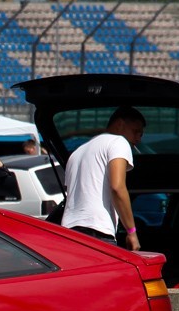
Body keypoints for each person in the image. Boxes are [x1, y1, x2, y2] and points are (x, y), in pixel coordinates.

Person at [61, 106, 145, 251]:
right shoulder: (118, 142)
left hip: (68, 233)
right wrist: (132, 232)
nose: (138, 138)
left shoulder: (77, 153)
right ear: (120, 124)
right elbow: (117, 187)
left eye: (141, 134)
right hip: (97, 232)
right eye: (135, 131)